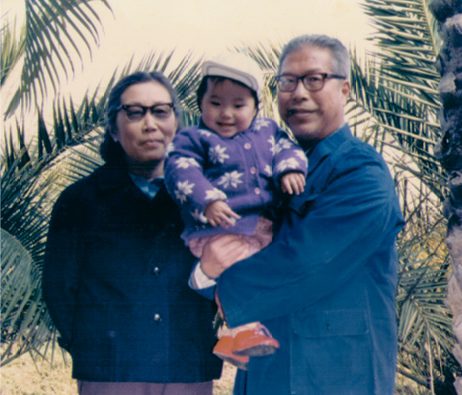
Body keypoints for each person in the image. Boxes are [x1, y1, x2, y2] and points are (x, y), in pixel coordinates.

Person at [194, 34, 405, 394]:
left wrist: (209, 278)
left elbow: (308, 263)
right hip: (268, 372)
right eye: (287, 82)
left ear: (346, 89)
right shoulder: (266, 167)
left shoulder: (361, 172)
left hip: (336, 375)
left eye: (315, 79)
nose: (299, 93)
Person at [42, 71, 222, 395]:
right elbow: (59, 289)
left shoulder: (206, 200)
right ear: (113, 128)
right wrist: (92, 347)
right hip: (111, 371)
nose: (149, 124)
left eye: (160, 111)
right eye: (135, 112)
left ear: (176, 123)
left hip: (187, 367)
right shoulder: (80, 201)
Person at [164, 53, 307, 370]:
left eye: (238, 105)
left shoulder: (268, 132)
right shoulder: (193, 139)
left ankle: (235, 337)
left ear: (256, 107)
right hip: (217, 226)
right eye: (215, 103)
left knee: (253, 273)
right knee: (239, 272)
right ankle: (240, 331)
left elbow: (288, 150)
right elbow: (180, 172)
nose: (226, 114)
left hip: (259, 227)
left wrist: (288, 171)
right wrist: (209, 200)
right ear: (200, 103)